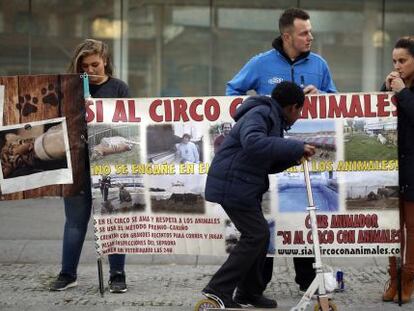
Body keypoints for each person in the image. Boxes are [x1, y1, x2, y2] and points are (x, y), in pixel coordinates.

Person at [225, 7, 337, 293]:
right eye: (304, 33)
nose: (310, 36)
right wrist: (260, 106)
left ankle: (308, 280)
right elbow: (231, 93)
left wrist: (322, 97)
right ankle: (257, 286)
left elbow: (338, 101)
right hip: (270, 156)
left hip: (304, 154)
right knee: (269, 214)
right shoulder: (260, 63)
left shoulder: (320, 65)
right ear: (287, 36)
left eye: (310, 31)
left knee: (302, 212)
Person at [202, 81, 316, 308]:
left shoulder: (271, 118)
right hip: (233, 185)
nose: (299, 115)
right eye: (300, 110)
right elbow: (253, 143)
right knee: (256, 235)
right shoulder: (261, 113)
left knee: (260, 236)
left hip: (243, 185)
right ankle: (218, 289)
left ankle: (248, 293)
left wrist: (294, 158)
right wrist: (295, 146)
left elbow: (266, 162)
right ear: (292, 107)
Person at [49, 39, 129, 293]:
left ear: (105, 60)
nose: (91, 70)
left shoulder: (118, 88)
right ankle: (67, 273)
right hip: (76, 165)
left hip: (108, 165)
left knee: (113, 219)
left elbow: (127, 126)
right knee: (74, 222)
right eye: (85, 67)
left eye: (95, 64)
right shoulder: (70, 89)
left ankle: (117, 274)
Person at [382, 36, 414, 304]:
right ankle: (393, 277)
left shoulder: (404, 89)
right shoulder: (389, 86)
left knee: (412, 229)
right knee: (393, 228)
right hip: (393, 169)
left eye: (402, 60)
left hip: (413, 168)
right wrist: (385, 91)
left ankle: (409, 279)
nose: (397, 65)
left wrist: (403, 93)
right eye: (394, 61)